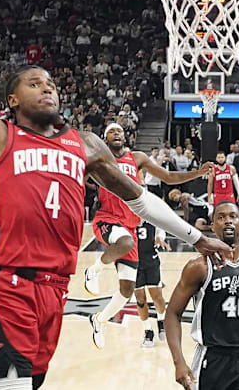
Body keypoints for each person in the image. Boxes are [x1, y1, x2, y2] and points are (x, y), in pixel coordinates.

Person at [0, 0, 231, 388]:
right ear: (12, 99)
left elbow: (140, 200)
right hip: (9, 285)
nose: (47, 88)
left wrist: (196, 238)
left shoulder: (86, 144)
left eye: (51, 83)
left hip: (56, 290)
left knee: (24, 384)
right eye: (34, 83)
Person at [83, 123, 210, 349]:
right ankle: (94, 269)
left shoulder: (137, 158)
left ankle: (99, 320)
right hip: (107, 219)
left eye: (120, 131)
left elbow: (168, 176)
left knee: (126, 291)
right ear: (104, 138)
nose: (117, 134)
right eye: (112, 131)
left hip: (129, 226)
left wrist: (198, 173)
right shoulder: (98, 159)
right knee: (125, 241)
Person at [165, 200, 239, 390]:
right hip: (213, 358)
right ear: (213, 226)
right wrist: (179, 362)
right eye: (221, 217)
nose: (228, 221)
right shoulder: (198, 267)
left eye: (233, 216)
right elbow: (172, 314)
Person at [134, 219, 169, 348]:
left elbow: (161, 229)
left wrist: (159, 238)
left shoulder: (151, 214)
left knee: (157, 298)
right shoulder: (127, 215)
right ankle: (148, 331)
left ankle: (161, 321)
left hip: (151, 261)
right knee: (140, 299)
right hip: (134, 262)